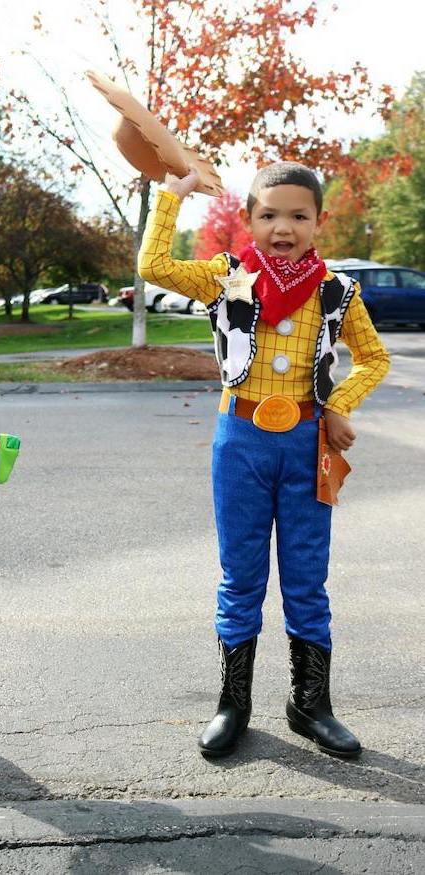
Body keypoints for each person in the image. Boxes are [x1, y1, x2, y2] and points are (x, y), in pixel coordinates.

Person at [138, 162, 390, 759]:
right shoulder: (228, 277)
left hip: (307, 443)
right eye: (270, 215)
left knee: (307, 576)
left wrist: (339, 405)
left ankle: (310, 705)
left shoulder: (337, 290)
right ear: (248, 220)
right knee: (241, 574)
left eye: (298, 216)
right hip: (241, 440)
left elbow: (373, 358)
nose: (284, 227)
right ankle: (234, 703)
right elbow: (154, 268)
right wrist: (171, 198)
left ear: (318, 221)